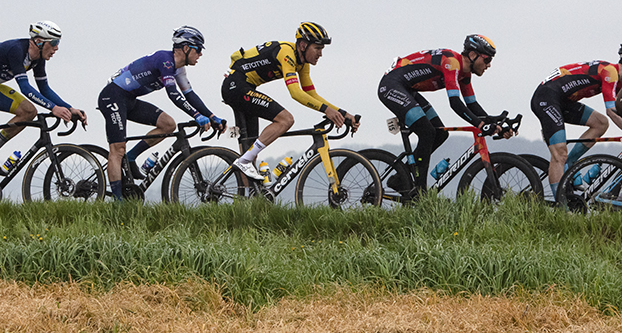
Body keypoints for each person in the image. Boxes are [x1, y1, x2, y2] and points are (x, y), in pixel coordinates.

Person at [0, 21, 85, 204]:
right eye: (53, 43)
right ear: (39, 41)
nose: (56, 49)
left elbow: (44, 89)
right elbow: (25, 87)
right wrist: (53, 108)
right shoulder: (16, 50)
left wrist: (69, 108)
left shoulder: (37, 59)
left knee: (28, 111)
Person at [97, 26, 225, 200]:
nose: (201, 54)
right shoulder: (165, 60)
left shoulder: (178, 69)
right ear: (186, 48)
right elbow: (173, 94)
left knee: (168, 125)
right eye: (198, 49)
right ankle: (119, 203)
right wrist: (196, 116)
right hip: (112, 96)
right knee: (117, 149)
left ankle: (132, 156)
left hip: (129, 100)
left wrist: (211, 116)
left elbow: (190, 95)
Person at [221, 22, 357, 180]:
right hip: (236, 87)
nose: (320, 54)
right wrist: (327, 110)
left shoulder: (302, 63)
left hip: (243, 88)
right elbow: (295, 93)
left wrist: (343, 114)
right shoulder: (286, 53)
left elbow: (311, 94)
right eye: (318, 48)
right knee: (285, 119)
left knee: (250, 152)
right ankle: (244, 161)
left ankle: (247, 198)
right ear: (303, 45)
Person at [377, 34, 500, 195]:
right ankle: (420, 192)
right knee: (427, 132)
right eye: (487, 60)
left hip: (408, 90)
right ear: (472, 55)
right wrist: (481, 125)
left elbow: (472, 105)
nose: (489, 65)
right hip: (392, 86)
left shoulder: (464, 74)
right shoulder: (451, 62)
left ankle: (402, 176)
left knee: (440, 134)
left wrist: (495, 122)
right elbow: (455, 103)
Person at [530, 41, 622, 198]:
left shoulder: (621, 82)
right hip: (546, 97)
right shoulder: (610, 71)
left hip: (563, 101)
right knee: (559, 154)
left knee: (600, 123)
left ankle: (571, 163)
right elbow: (611, 110)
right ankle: (562, 206)